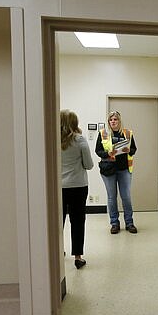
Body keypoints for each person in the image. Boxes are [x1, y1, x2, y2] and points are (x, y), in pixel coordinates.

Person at [60, 109, 94, 269]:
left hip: (58, 188)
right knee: (77, 221)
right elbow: (89, 165)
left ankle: (58, 251)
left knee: (57, 221)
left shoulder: (52, 140)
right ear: (75, 123)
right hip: (78, 186)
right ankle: (78, 257)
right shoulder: (80, 140)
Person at [95, 110, 137, 235]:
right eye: (111, 120)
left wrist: (128, 150)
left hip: (124, 169)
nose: (113, 122)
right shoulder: (103, 134)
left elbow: (134, 149)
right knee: (111, 197)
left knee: (126, 197)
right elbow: (98, 151)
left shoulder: (128, 133)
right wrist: (108, 153)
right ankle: (114, 223)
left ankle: (129, 223)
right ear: (108, 122)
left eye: (115, 119)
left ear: (119, 121)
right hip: (109, 170)